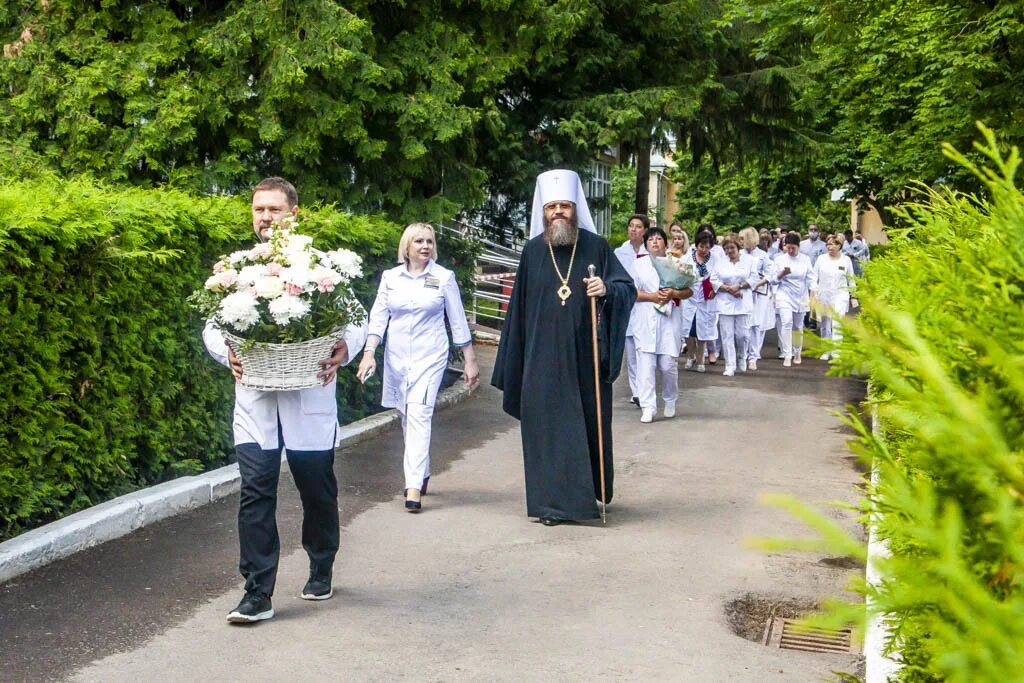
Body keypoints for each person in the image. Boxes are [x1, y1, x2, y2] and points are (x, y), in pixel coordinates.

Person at [202, 177, 368, 623]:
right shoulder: (237, 272)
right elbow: (214, 326)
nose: (265, 218)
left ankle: (321, 562)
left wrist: (346, 348)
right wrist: (227, 352)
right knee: (255, 493)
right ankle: (257, 592)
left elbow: (355, 318)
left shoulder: (318, 266)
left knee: (317, 490)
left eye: (274, 210)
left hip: (308, 401)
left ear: (293, 214)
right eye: (259, 210)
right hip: (255, 406)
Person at [492, 169, 635, 526]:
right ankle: (551, 505)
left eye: (565, 206)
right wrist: (515, 365)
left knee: (583, 425)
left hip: (584, 358)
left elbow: (625, 288)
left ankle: (584, 497)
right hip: (539, 360)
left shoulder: (596, 246)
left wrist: (606, 289)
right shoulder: (531, 251)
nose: (558, 212)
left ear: (575, 209)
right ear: (543, 210)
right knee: (546, 430)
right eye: (552, 206)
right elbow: (518, 313)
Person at [356, 223, 480, 512]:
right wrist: (369, 353)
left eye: (430, 241)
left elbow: (458, 320)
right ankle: (421, 471)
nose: (426, 246)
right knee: (405, 412)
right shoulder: (391, 278)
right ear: (407, 247)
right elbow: (378, 318)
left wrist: (469, 360)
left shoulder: (443, 277)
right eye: (419, 242)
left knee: (420, 413)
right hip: (398, 358)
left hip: (430, 356)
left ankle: (412, 486)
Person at [630, 227, 692, 422]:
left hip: (669, 318)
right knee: (645, 364)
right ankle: (648, 406)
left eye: (659, 239)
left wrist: (674, 293)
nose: (655, 242)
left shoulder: (676, 263)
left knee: (667, 364)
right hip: (645, 316)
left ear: (666, 243)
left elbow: (689, 290)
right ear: (645, 244)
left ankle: (670, 398)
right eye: (651, 240)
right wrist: (652, 296)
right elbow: (632, 291)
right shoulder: (638, 265)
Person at [613, 214, 649, 406]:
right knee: (631, 353)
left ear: (645, 231)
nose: (633, 229)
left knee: (644, 350)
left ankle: (645, 390)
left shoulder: (649, 251)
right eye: (631, 226)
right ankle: (636, 392)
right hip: (627, 305)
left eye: (638, 226)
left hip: (645, 304)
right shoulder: (620, 252)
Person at [715, 234, 757, 376]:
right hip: (725, 302)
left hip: (743, 302)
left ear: (738, 247)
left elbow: (754, 278)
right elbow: (714, 280)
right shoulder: (720, 262)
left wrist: (739, 286)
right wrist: (729, 289)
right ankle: (729, 365)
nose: (730, 251)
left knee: (742, 335)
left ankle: (742, 356)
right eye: (726, 248)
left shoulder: (749, 260)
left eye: (732, 247)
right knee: (727, 335)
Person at [773, 231, 816, 366]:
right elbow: (772, 280)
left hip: (800, 295)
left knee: (798, 326)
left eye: (793, 248)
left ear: (798, 247)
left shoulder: (805, 259)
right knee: (786, 322)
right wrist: (781, 274)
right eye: (788, 247)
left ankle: (797, 352)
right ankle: (787, 353)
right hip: (784, 294)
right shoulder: (779, 260)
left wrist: (813, 293)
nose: (790, 250)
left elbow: (811, 277)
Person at [680, 230, 720, 373]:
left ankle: (701, 358)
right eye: (701, 246)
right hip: (689, 297)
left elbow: (718, 277)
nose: (704, 250)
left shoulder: (715, 259)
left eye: (707, 247)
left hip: (705, 298)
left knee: (702, 330)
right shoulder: (687, 258)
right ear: (696, 245)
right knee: (689, 330)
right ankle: (691, 356)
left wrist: (714, 290)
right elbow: (680, 275)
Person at [811, 236, 855, 361]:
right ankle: (826, 350)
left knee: (837, 322)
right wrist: (814, 293)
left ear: (839, 246)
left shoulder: (846, 260)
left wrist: (854, 295)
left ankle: (837, 351)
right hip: (824, 294)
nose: (830, 247)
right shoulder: (821, 259)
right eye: (828, 245)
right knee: (825, 323)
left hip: (841, 294)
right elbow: (814, 277)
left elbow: (851, 279)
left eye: (833, 244)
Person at [740, 227, 774, 371]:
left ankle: (753, 356)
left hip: (758, 294)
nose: (740, 241)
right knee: (742, 326)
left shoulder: (762, 255)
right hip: (742, 293)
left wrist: (757, 283)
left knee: (755, 326)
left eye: (743, 238)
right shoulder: (739, 254)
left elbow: (770, 274)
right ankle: (742, 354)